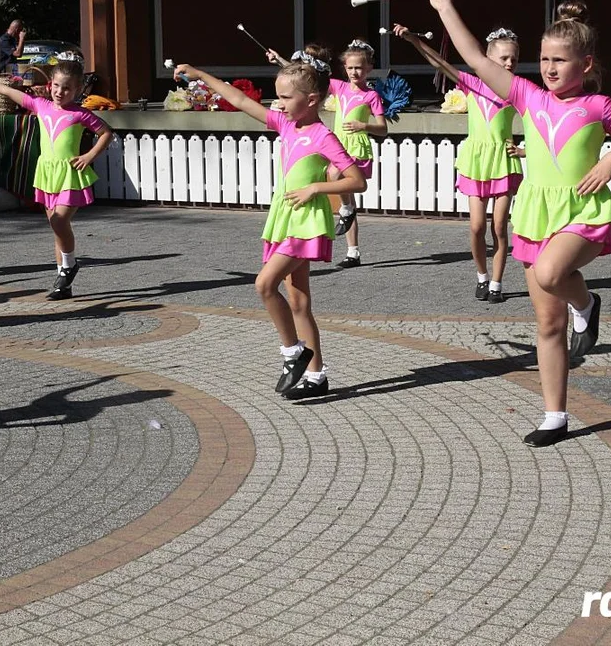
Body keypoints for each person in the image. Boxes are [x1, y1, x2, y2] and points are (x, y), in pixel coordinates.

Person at [429, 0, 611, 447]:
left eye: (561, 60)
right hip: (536, 214)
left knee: (554, 273)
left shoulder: (599, 106)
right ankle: (555, 414)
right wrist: (446, 8)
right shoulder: (528, 97)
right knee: (546, 324)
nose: (550, 68)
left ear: (585, 65)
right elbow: (475, 58)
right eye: (545, 58)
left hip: (582, 213)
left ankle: (588, 304)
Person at [174, 53, 366, 398]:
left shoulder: (325, 137)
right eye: (277, 96)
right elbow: (238, 99)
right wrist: (199, 73)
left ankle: (293, 353)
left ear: (311, 100)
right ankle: (317, 376)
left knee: (264, 285)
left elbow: (357, 181)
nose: (279, 103)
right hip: (285, 218)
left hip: (306, 222)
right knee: (299, 302)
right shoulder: (286, 124)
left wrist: (317, 187)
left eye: (286, 97)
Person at [0, 53, 112, 299]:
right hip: (46, 173)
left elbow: (106, 133)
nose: (60, 91)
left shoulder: (79, 114)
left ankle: (69, 265)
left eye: (67, 88)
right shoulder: (40, 105)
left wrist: (89, 156)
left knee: (59, 221)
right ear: (49, 85)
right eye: (56, 86)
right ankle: (63, 283)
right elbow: (9, 93)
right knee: (56, 227)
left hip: (69, 173)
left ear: (77, 90)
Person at [395, 23, 523, 302]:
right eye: (503, 58)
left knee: (499, 227)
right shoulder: (473, 84)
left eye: (514, 57)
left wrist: (526, 152)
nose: (510, 63)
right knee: (477, 226)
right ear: (488, 60)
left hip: (503, 160)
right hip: (477, 161)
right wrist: (413, 40)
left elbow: (540, 124)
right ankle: (481, 276)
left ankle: (497, 284)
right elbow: (440, 63)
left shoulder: (517, 91)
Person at [267, 42, 387, 268]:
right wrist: (281, 61)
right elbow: (309, 77)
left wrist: (364, 125)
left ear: (369, 68)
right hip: (337, 144)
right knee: (340, 187)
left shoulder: (371, 96)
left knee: (335, 175)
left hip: (357, 147)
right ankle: (353, 250)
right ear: (344, 68)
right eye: (350, 68)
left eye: (359, 68)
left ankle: (348, 213)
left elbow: (384, 128)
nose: (354, 72)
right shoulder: (340, 88)